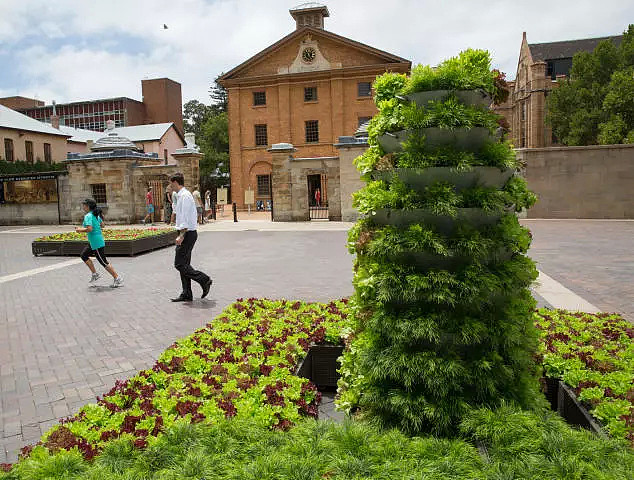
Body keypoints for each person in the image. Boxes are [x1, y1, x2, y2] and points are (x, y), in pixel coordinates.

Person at [169, 172, 212, 302]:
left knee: (179, 264)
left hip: (187, 233)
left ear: (176, 182)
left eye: (171, 184)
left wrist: (181, 235)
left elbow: (187, 218)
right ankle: (187, 293)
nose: (170, 187)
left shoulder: (185, 196)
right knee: (185, 264)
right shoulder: (181, 195)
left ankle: (204, 279)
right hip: (185, 232)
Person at [76, 198, 123, 288]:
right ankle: (95, 274)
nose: (83, 207)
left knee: (103, 262)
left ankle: (117, 278)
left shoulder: (88, 216)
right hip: (95, 241)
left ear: (88, 206)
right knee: (84, 255)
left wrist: (79, 230)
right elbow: (103, 225)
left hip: (96, 243)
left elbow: (89, 229)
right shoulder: (95, 215)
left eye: (84, 205)